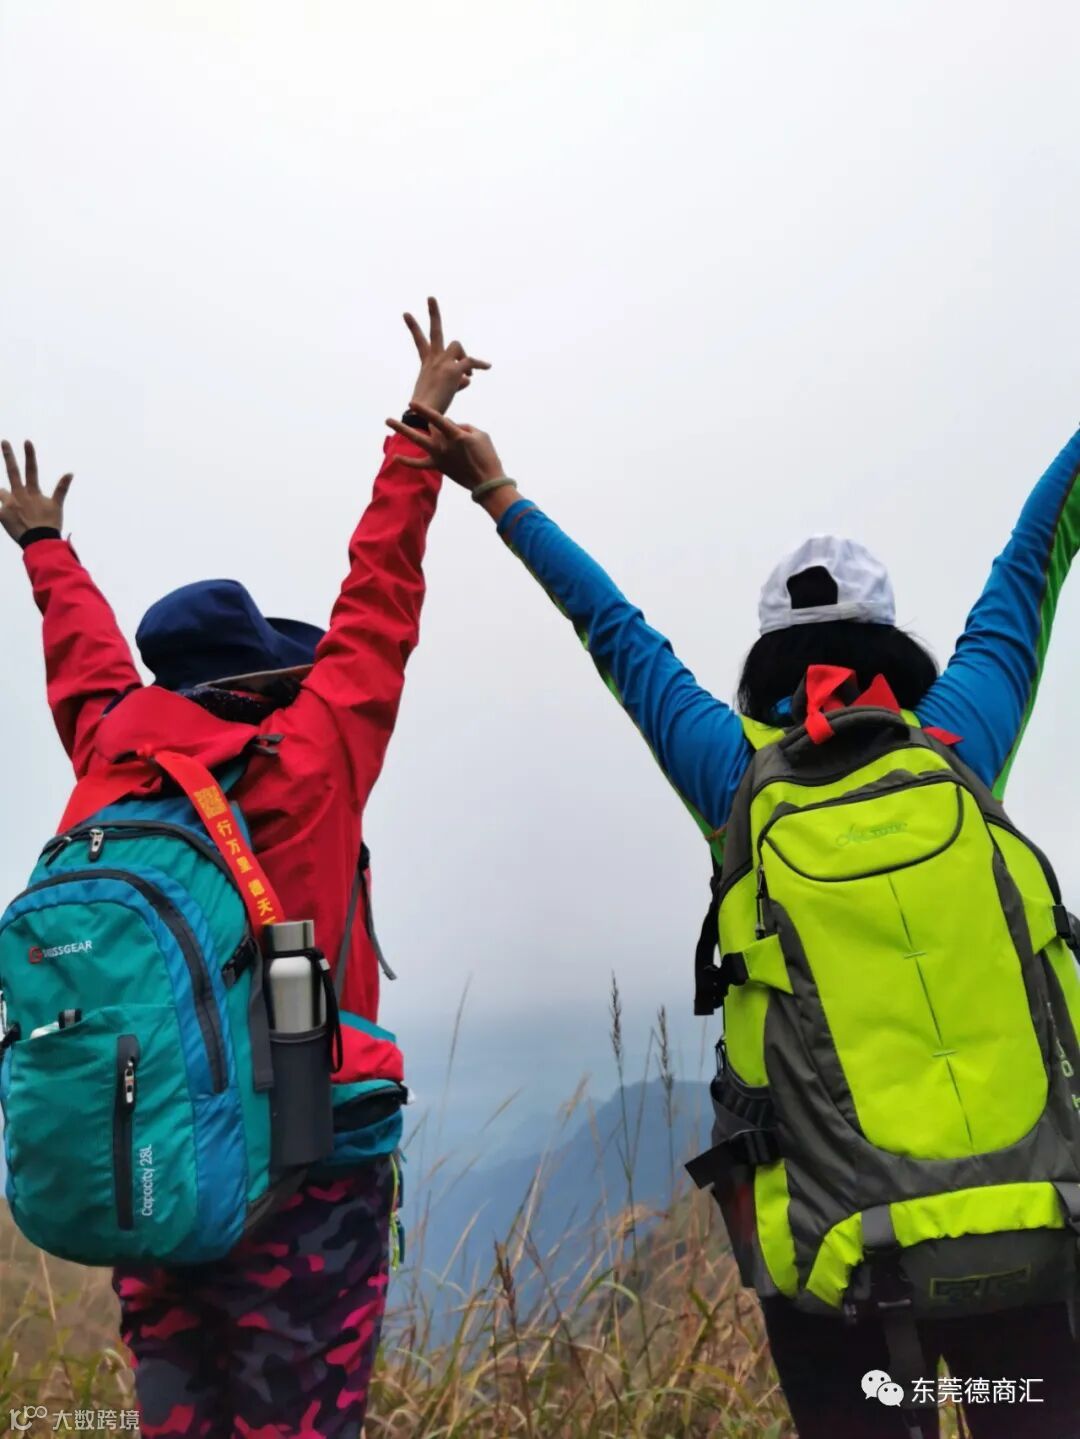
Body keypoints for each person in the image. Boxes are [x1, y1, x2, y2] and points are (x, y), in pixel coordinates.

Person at [386, 398, 1080, 1439]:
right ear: (892, 644)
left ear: (768, 660)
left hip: (839, 1269)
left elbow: (618, 634)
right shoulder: (961, 743)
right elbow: (1032, 560)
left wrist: (497, 491)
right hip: (1030, 1227)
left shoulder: (737, 778)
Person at [0, 299, 488, 1438]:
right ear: (267, 679)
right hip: (304, 1174)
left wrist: (44, 549)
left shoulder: (112, 759)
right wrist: (419, 429)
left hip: (161, 1167)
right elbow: (378, 600)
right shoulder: (310, 756)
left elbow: (88, 666)